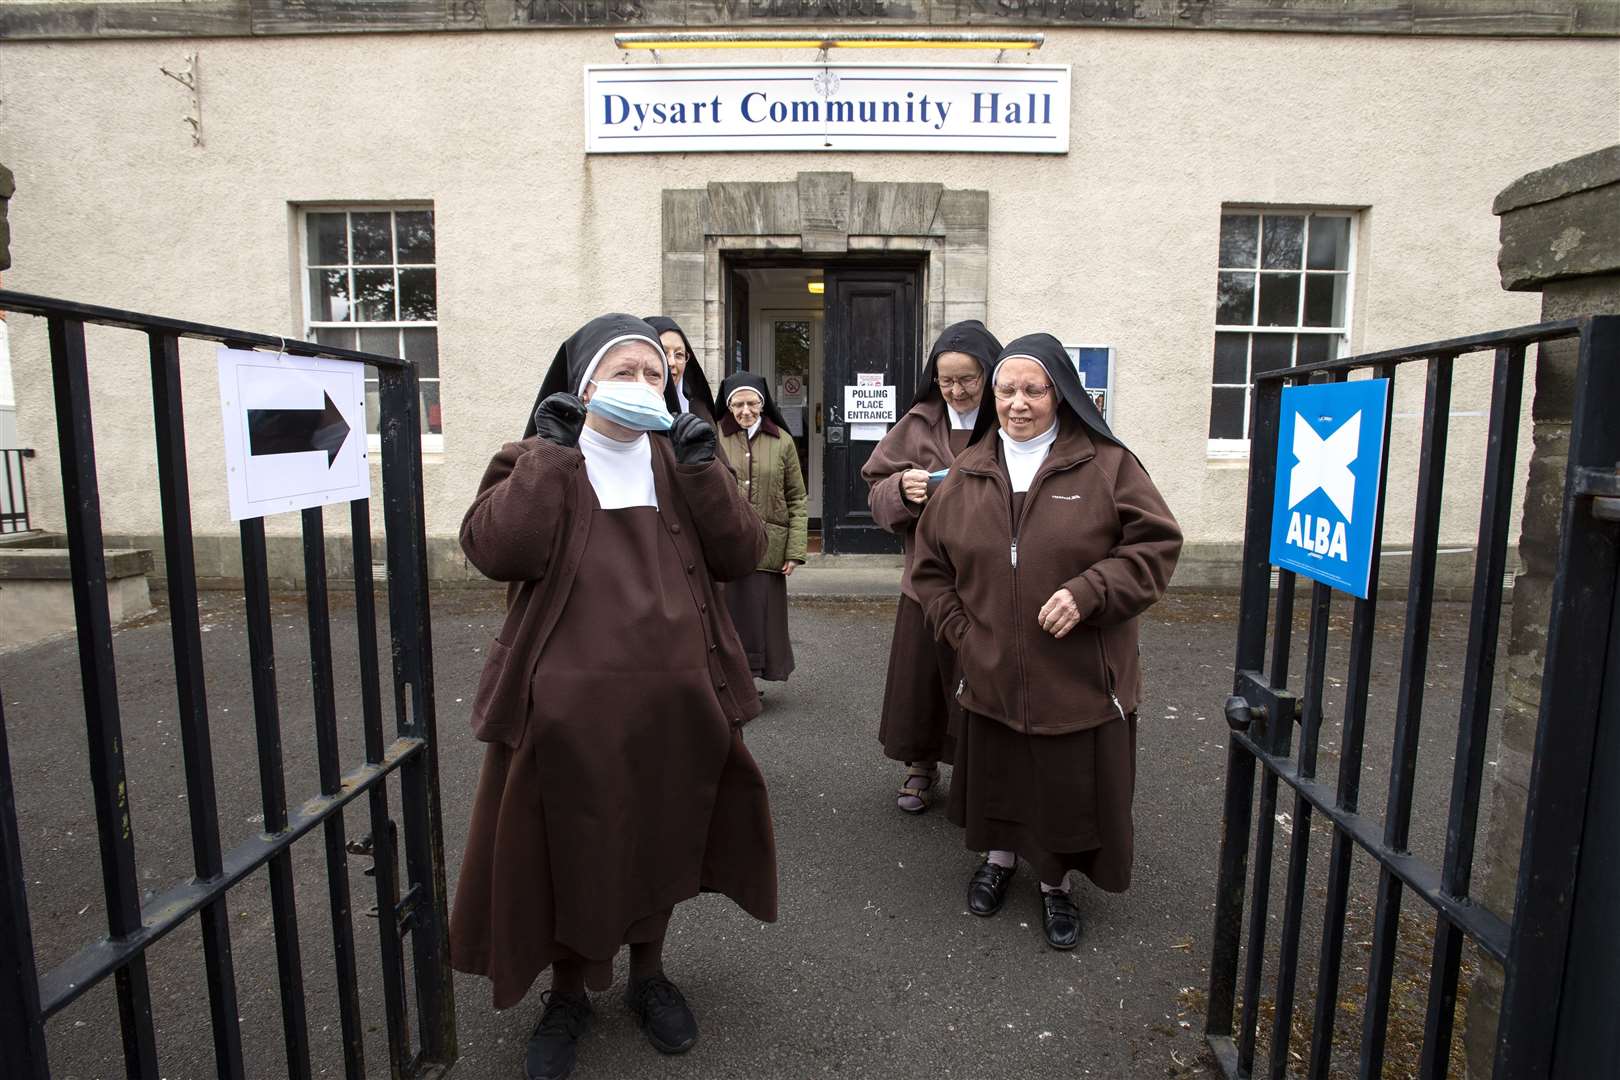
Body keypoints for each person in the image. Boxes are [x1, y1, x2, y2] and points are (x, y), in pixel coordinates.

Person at [450, 314, 778, 1080]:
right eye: (622, 372)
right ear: (584, 382)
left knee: (660, 834)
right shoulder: (535, 456)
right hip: (564, 712)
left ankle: (650, 976)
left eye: (654, 374)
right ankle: (567, 994)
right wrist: (549, 458)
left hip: (675, 702)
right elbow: (497, 552)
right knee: (569, 846)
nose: (641, 386)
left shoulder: (681, 459)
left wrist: (705, 471)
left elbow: (741, 555)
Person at [910, 333, 1181, 951]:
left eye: (1033, 389)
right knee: (1001, 773)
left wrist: (1091, 592)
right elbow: (928, 570)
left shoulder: (1107, 466)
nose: (1018, 403)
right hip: (992, 671)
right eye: (1006, 390)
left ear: (1060, 395)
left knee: (1064, 785)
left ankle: (1056, 884)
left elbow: (1156, 545)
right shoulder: (968, 474)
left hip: (1079, 673)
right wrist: (962, 632)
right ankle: (1000, 860)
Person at [861, 320, 1002, 814]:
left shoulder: (1007, 421)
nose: (958, 391)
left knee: (983, 679)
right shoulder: (917, 423)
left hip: (990, 584)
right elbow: (875, 487)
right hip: (926, 579)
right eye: (947, 381)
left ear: (989, 375)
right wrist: (901, 490)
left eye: (969, 380)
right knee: (921, 684)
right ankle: (920, 765)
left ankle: (980, 771)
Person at [715, 371, 807, 687]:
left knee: (760, 618)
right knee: (728, 617)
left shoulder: (781, 441)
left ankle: (752, 679)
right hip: (725, 545)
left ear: (763, 403)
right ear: (727, 407)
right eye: (737, 404)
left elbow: (797, 496)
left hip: (770, 545)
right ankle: (733, 681)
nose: (745, 411)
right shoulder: (714, 436)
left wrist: (795, 550)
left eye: (752, 403)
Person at [644, 315, 718, 424]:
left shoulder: (700, 413)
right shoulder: (628, 411)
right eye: (663, 352)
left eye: (679, 354)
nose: (672, 363)